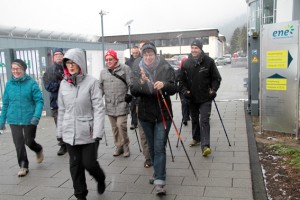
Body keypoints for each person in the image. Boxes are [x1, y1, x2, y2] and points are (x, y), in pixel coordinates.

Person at [57, 48, 106, 200]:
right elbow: (62, 110)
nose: (71, 66)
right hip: (69, 132)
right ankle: (80, 195)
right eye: (68, 63)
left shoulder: (92, 82)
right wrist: (60, 132)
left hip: (89, 132)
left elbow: (99, 109)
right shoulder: (63, 84)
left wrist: (98, 132)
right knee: (75, 166)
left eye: (73, 63)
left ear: (81, 64)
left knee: (89, 163)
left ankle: (100, 178)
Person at [130, 42, 176, 195]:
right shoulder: (137, 68)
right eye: (145, 54)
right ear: (142, 55)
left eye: (151, 54)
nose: (148, 57)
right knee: (151, 147)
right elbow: (134, 91)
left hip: (163, 114)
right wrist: (142, 82)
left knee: (159, 146)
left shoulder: (165, 67)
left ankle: (160, 182)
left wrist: (164, 85)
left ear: (155, 54)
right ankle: (157, 173)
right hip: (145, 115)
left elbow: (174, 87)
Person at [0, 59, 44, 177]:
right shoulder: (9, 84)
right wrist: (1, 121)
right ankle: (23, 165)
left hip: (29, 118)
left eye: (18, 68)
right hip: (13, 118)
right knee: (18, 144)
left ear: (24, 69)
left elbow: (39, 101)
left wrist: (36, 116)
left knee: (28, 141)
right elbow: (5, 103)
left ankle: (38, 149)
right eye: (13, 69)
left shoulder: (32, 83)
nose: (15, 71)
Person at [179, 39, 222, 156]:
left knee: (204, 120)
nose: (194, 50)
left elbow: (216, 78)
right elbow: (181, 80)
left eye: (196, 48)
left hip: (205, 98)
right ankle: (196, 138)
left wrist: (213, 90)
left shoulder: (209, 62)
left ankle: (205, 146)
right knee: (194, 119)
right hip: (191, 98)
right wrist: (184, 91)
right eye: (192, 48)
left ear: (201, 49)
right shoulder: (186, 63)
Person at [100, 49, 131, 157]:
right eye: (107, 59)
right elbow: (100, 87)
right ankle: (119, 146)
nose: (108, 61)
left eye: (110, 59)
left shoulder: (125, 69)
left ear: (115, 59)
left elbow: (130, 84)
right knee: (114, 128)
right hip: (109, 104)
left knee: (120, 125)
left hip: (122, 102)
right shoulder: (103, 72)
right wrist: (97, 98)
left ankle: (126, 145)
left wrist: (129, 94)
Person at [126, 44, 152, 168]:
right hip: (140, 103)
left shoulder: (155, 63)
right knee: (143, 133)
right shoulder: (134, 64)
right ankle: (148, 158)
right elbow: (132, 84)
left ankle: (155, 153)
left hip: (154, 104)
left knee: (154, 134)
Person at [43, 48, 67, 156]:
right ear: (53, 57)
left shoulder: (68, 67)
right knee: (59, 124)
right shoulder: (49, 71)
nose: (58, 56)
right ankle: (63, 145)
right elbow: (48, 87)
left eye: (60, 54)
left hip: (70, 102)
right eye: (56, 54)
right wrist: (60, 82)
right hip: (56, 102)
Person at [125, 46, 140, 130]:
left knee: (140, 104)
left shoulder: (142, 60)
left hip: (140, 85)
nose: (135, 54)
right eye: (133, 53)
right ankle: (133, 122)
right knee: (132, 105)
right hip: (131, 86)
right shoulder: (127, 63)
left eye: (136, 53)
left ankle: (140, 121)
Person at [178, 57, 190, 126]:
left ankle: (188, 116)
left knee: (188, 103)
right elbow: (178, 80)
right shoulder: (179, 71)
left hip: (189, 90)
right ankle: (185, 118)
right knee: (184, 103)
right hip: (182, 90)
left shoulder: (190, 69)